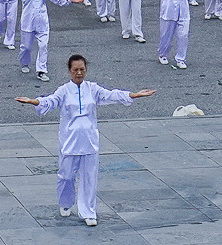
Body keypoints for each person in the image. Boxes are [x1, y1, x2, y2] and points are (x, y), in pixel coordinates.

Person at [16, 54, 154, 227]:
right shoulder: (64, 90)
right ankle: (66, 202)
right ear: (70, 71)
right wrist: (34, 101)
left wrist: (134, 95)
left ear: (86, 70)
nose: (79, 73)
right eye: (75, 70)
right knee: (66, 176)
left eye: (82, 69)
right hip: (70, 141)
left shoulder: (93, 89)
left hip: (89, 140)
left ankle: (88, 211)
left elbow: (111, 95)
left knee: (89, 177)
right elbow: (50, 101)